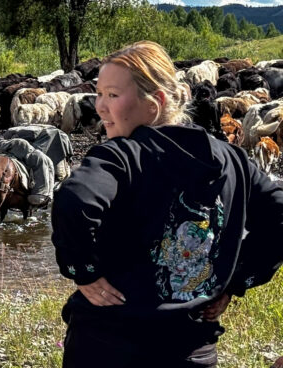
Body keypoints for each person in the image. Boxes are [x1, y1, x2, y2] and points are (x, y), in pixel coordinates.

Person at [52, 41, 283, 367]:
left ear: (156, 102)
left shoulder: (121, 155)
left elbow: (74, 200)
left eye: (113, 95)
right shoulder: (232, 159)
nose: (100, 107)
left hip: (108, 345)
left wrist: (84, 271)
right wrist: (236, 280)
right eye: (99, 93)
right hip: (191, 350)